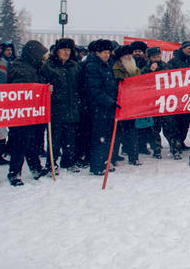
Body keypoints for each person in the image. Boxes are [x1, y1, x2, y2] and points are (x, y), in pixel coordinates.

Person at [7, 40, 51, 185]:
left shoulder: (35, 67)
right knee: (20, 142)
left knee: (31, 141)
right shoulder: (20, 68)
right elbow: (20, 89)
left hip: (32, 111)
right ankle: (14, 173)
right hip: (21, 112)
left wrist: (45, 88)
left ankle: (35, 167)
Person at [40, 38, 82, 172]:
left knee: (70, 139)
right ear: (57, 51)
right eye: (64, 50)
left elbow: (80, 85)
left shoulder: (74, 66)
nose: (66, 52)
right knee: (54, 140)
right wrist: (47, 89)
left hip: (72, 108)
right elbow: (41, 83)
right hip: (56, 109)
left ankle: (68, 162)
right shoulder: (49, 66)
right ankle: (51, 164)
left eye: (69, 50)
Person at [83, 39, 119, 175]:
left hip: (108, 107)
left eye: (108, 52)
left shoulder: (108, 65)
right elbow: (94, 90)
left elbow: (111, 84)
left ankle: (105, 161)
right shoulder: (92, 66)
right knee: (99, 137)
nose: (107, 55)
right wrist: (110, 101)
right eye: (104, 52)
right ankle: (97, 165)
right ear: (97, 53)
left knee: (107, 137)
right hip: (98, 108)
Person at [112, 45, 141, 165]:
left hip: (131, 105)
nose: (129, 57)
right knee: (117, 133)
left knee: (132, 133)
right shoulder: (114, 70)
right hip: (119, 106)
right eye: (126, 55)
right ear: (120, 58)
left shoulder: (135, 69)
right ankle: (113, 157)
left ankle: (133, 157)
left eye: (130, 54)